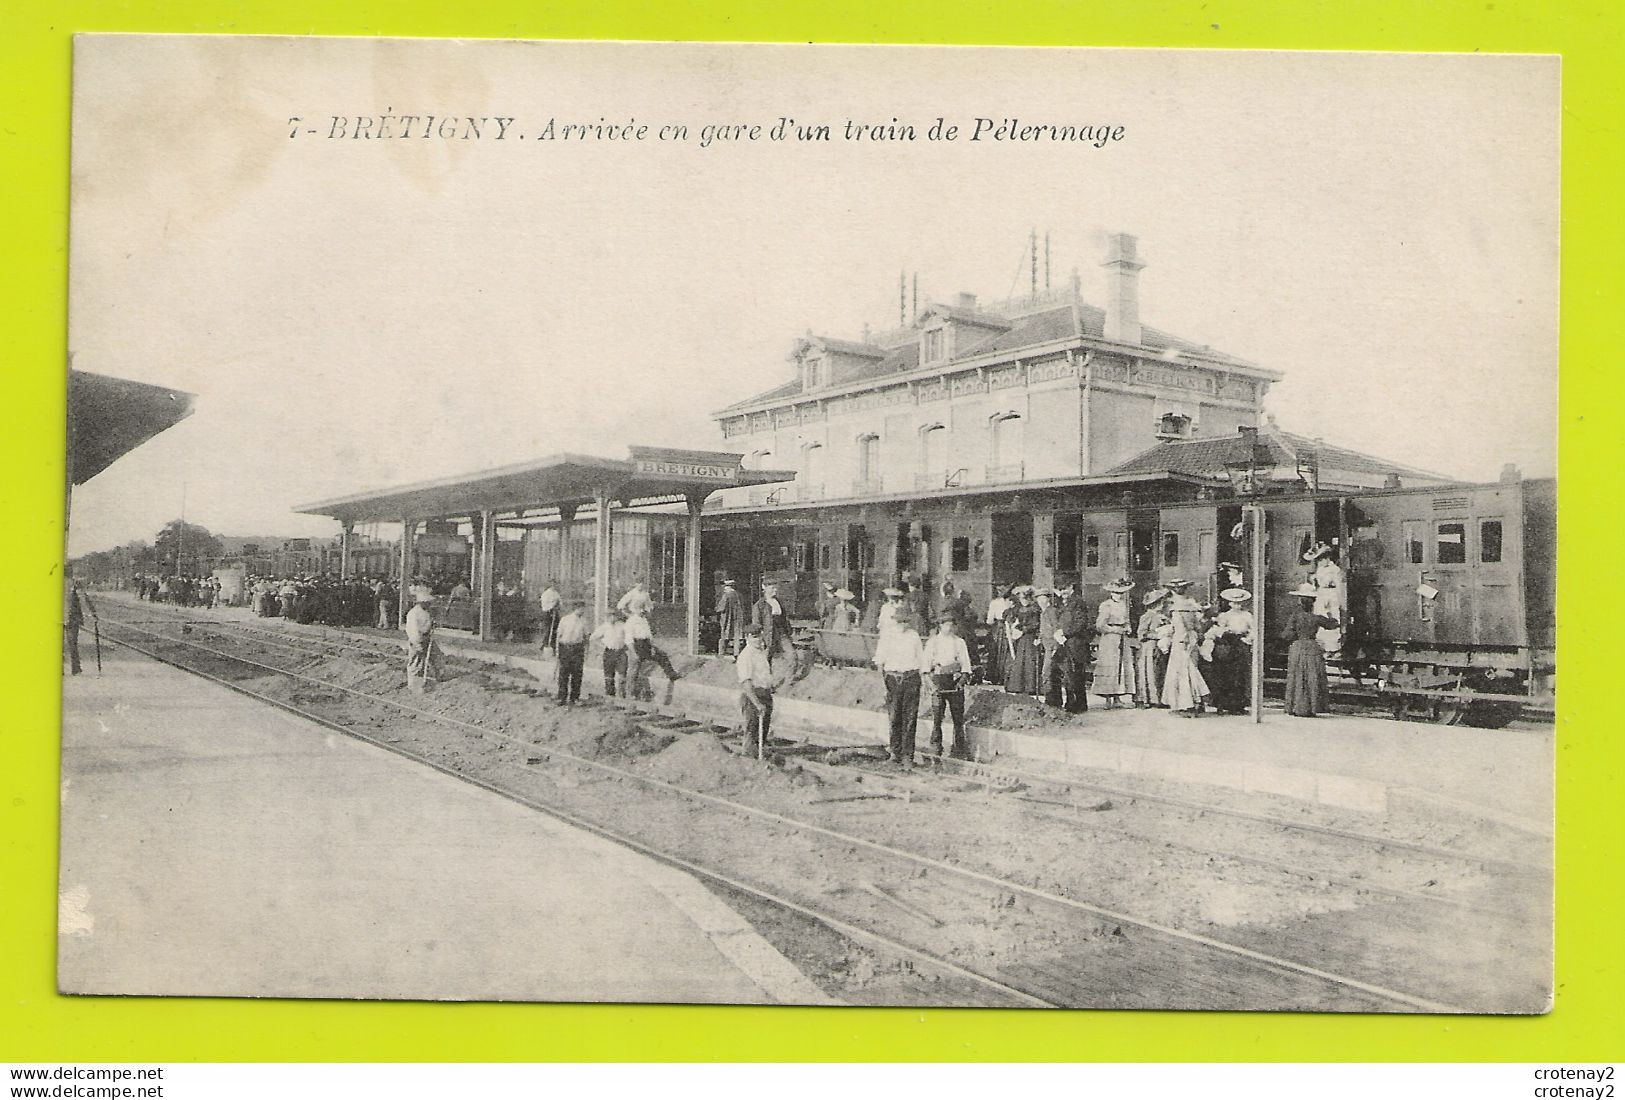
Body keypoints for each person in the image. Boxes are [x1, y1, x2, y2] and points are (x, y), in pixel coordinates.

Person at [874, 610, 925, 767]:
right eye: (900, 621)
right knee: (895, 717)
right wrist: (882, 682)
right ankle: (895, 753)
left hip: (911, 678)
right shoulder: (887, 636)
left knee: (910, 718)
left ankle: (907, 756)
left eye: (906, 622)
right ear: (895, 621)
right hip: (893, 678)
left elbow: (921, 660)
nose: (904, 625)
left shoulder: (914, 636)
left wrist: (923, 679)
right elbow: (880, 660)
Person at [1283, 582, 1340, 717]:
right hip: (1313, 648)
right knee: (1312, 677)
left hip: (1298, 647)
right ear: (1313, 602)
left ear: (1300, 601)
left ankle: (1296, 707)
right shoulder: (1316, 618)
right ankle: (1312, 707)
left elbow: (1286, 635)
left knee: (1297, 677)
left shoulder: (1295, 617)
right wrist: (1329, 612)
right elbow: (1333, 624)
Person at [924, 612, 973, 760]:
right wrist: (930, 684)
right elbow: (925, 666)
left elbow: (965, 663)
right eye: (946, 625)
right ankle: (936, 744)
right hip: (938, 680)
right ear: (940, 626)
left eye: (952, 625)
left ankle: (959, 746)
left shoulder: (959, 642)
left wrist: (962, 679)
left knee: (958, 716)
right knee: (938, 714)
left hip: (954, 680)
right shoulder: (933, 642)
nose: (949, 628)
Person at [1161, 580, 1209, 716]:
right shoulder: (1191, 604)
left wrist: (1180, 639)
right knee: (1192, 668)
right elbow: (1198, 627)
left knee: (1181, 672)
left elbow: (1179, 627)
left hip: (1181, 641)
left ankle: (1186, 705)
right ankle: (1197, 702)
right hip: (1192, 639)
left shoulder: (1176, 608)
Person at [1207, 588, 1255, 715]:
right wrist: (1225, 632)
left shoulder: (1247, 615)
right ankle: (1224, 704)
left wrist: (1247, 639)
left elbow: (1254, 629)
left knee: (1240, 675)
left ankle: (1238, 705)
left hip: (1241, 644)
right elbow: (1218, 629)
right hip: (1228, 645)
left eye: (1239, 602)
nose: (1237, 605)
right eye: (1234, 603)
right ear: (1230, 603)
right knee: (1226, 675)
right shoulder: (1225, 615)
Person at [1091, 578, 1138, 707]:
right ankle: (1107, 699)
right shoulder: (1106, 605)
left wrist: (1128, 627)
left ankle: (1117, 698)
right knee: (1110, 666)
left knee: (1120, 666)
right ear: (1111, 593)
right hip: (1110, 639)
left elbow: (1126, 620)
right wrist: (1115, 630)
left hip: (1122, 638)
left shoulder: (1123, 604)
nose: (1118, 595)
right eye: (1116, 592)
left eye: (1121, 593)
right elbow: (1100, 625)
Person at [624, 607, 683, 702]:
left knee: (662, 655)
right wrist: (634, 653)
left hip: (646, 644)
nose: (642, 611)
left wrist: (652, 647)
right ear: (634, 610)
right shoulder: (631, 621)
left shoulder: (644, 620)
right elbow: (629, 640)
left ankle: (671, 674)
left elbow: (649, 636)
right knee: (634, 669)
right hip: (636, 645)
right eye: (639, 609)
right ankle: (630, 693)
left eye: (643, 609)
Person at [736, 624, 776, 757]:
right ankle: (748, 759)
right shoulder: (746, 656)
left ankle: (758, 758)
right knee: (752, 731)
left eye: (760, 635)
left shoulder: (760, 653)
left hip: (765, 694)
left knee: (762, 732)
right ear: (747, 637)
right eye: (755, 636)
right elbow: (746, 683)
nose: (758, 639)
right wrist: (757, 703)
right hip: (754, 696)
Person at [1055, 578, 1092, 713]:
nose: (1063, 591)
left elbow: (1080, 623)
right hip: (1065, 643)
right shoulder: (1063, 603)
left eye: (1065, 588)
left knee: (1076, 675)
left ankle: (1079, 705)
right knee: (1068, 675)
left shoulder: (1078, 602)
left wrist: (1065, 632)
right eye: (1060, 589)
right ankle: (1071, 703)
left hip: (1076, 644)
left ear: (1071, 587)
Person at [1305, 544, 1346, 657]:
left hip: (1331, 596)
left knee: (1331, 619)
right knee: (1319, 619)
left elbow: (1339, 587)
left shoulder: (1335, 570)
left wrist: (1337, 600)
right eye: (1318, 560)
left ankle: (1333, 648)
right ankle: (1323, 647)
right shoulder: (1320, 569)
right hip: (1321, 595)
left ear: (1327, 557)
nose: (1320, 562)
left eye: (1322, 559)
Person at [1133, 588, 1171, 708]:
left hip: (1160, 647)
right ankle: (1148, 699)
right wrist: (1157, 635)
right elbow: (1141, 634)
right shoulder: (1146, 616)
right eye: (1161, 602)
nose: (1163, 604)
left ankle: (1159, 698)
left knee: (1159, 672)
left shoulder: (1163, 616)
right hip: (1148, 648)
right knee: (1149, 672)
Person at [403, 587, 441, 693]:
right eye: (428, 602)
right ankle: (414, 686)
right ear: (421, 602)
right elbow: (413, 630)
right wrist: (417, 644)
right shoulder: (413, 613)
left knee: (437, 658)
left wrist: (432, 625)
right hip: (417, 640)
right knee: (416, 663)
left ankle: (438, 680)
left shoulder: (425, 612)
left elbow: (427, 624)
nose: (429, 604)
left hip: (427, 639)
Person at [553, 599, 589, 705]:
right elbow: (558, 636)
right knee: (564, 673)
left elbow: (586, 637)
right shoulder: (565, 619)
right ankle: (561, 697)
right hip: (565, 648)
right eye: (580, 608)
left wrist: (587, 652)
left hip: (578, 649)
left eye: (583, 608)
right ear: (575, 609)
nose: (582, 610)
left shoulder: (584, 621)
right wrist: (557, 651)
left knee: (577, 674)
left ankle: (575, 698)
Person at [752, 578, 793, 663]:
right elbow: (756, 624)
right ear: (764, 588)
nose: (776, 590)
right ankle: (766, 674)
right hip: (768, 635)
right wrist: (761, 637)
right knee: (766, 658)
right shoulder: (759, 605)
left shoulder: (778, 602)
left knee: (791, 654)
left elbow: (785, 618)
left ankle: (789, 676)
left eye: (776, 588)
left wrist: (788, 631)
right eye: (772, 588)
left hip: (781, 632)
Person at [590, 609, 628, 697]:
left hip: (620, 652)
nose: (612, 617)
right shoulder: (604, 627)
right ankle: (610, 696)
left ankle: (622, 695)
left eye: (613, 615)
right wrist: (602, 646)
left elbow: (628, 636)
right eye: (609, 616)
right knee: (609, 675)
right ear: (606, 617)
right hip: (609, 652)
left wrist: (625, 645)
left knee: (622, 674)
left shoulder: (622, 626)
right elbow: (593, 638)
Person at [64, 577, 97, 676]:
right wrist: (93, 612)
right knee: (73, 643)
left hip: (63, 617)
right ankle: (76, 668)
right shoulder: (74, 583)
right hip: (72, 617)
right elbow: (83, 598)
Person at [1037, 588, 1064, 708]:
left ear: (1048, 599)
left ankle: (1053, 701)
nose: (1040, 601)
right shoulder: (1043, 612)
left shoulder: (1051, 611)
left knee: (1048, 673)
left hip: (1052, 646)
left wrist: (1056, 647)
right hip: (1046, 645)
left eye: (1043, 598)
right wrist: (1039, 638)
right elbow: (1044, 629)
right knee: (1047, 673)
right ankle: (1051, 700)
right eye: (1038, 598)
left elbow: (1057, 629)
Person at [984, 582, 1013, 685]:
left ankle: (998, 676)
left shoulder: (995, 603)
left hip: (1000, 627)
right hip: (1006, 628)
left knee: (997, 651)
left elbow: (989, 621)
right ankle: (1004, 676)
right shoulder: (1011, 602)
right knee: (1003, 650)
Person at [714, 577, 747, 656]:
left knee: (724, 635)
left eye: (725, 586)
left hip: (728, 619)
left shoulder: (726, 596)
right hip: (738, 619)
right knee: (737, 636)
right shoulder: (739, 595)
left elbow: (720, 608)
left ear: (729, 587)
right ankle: (737, 653)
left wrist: (716, 608)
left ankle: (721, 653)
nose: (724, 588)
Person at [536, 582, 561, 651]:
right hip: (548, 613)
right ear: (551, 585)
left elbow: (560, 601)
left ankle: (553, 644)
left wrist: (558, 606)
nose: (556, 586)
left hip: (555, 612)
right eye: (554, 584)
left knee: (556, 629)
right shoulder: (546, 594)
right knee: (549, 629)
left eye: (557, 584)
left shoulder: (556, 593)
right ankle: (546, 644)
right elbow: (544, 605)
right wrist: (552, 607)